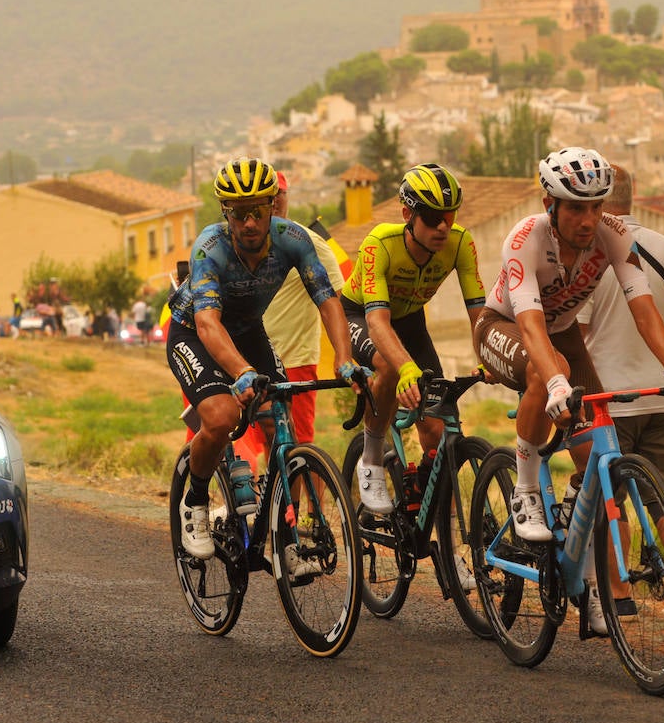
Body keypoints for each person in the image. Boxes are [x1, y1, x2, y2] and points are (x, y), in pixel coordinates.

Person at [473, 147, 664, 634]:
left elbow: (644, 309)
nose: (588, 219)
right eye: (576, 207)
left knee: (598, 458)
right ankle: (527, 488)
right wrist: (555, 382)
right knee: (547, 369)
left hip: (563, 333)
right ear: (549, 204)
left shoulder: (614, 236)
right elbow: (531, 323)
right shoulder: (526, 238)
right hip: (505, 325)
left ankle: (591, 583)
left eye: (597, 206)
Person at [166, 157, 365, 563]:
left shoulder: (294, 239)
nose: (250, 222)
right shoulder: (210, 247)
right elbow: (206, 323)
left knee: (281, 422)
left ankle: (284, 537)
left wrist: (344, 360)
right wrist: (241, 373)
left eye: (258, 210)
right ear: (227, 213)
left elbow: (328, 302)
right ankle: (196, 500)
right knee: (222, 417)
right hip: (195, 332)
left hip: (247, 329)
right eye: (239, 213)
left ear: (272, 205)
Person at [578, 163, 664, 623]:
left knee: (605, 496)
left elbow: (577, 329)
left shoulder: (587, 254)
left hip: (608, 401)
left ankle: (618, 593)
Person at [340, 163, 485, 515]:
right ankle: (372, 460)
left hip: (410, 322)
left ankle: (435, 520)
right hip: (360, 315)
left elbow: (479, 312)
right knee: (389, 368)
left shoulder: (460, 242)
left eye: (449, 217)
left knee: (436, 427)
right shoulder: (381, 243)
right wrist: (406, 369)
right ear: (408, 214)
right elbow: (377, 321)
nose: (442, 227)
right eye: (432, 217)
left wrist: (488, 354)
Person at [261, 172, 344, 444]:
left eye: (279, 193)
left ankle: (310, 488)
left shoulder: (309, 242)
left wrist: (346, 354)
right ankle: (276, 489)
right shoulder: (242, 244)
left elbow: (337, 302)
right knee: (269, 444)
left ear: (287, 196)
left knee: (300, 442)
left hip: (296, 359)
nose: (274, 201)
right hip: (254, 359)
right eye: (267, 196)